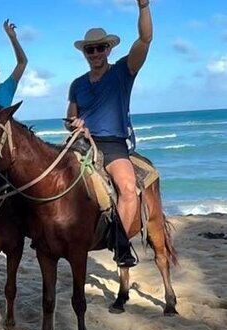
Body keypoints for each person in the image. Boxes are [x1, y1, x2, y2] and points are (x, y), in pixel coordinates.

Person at [65, 0, 152, 267]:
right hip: (80, 143)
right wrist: (73, 125)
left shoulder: (123, 72)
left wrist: (143, 7)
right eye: (90, 49)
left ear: (109, 49)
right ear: (85, 53)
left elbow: (145, 39)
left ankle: (121, 245)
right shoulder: (77, 84)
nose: (95, 53)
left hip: (113, 144)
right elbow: (69, 117)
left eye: (100, 48)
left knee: (127, 188)